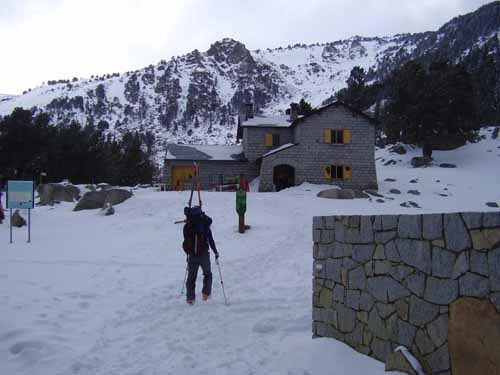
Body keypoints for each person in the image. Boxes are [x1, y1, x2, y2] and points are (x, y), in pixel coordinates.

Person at [182, 206, 219, 305]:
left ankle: (190, 298)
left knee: (191, 277)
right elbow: (210, 240)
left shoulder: (187, 226)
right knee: (207, 274)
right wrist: (215, 252)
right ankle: (205, 294)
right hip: (204, 254)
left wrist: (188, 254)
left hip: (192, 256)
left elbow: (185, 240)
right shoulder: (204, 225)